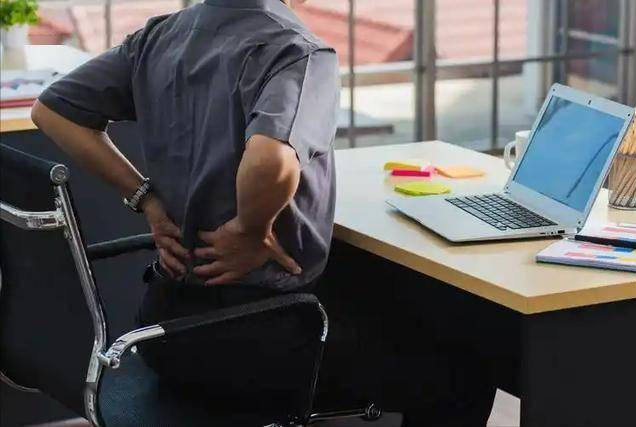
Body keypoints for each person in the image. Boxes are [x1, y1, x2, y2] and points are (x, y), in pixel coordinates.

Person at [31, 0, 495, 425]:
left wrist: (145, 199)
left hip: (163, 328)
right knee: (462, 372)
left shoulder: (160, 36)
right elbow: (270, 160)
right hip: (257, 340)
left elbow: (52, 110)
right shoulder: (297, 52)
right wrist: (250, 231)